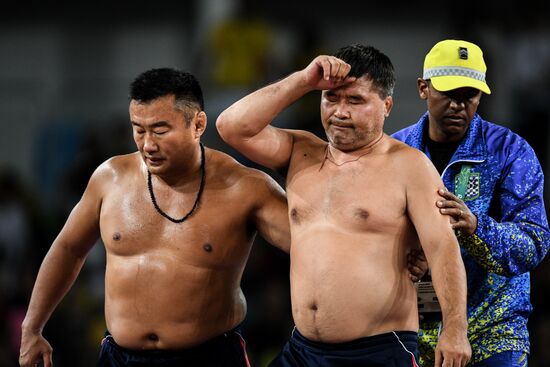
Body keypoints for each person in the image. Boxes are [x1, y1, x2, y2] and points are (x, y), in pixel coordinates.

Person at [216, 44, 471, 367]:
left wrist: (455, 329)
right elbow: (231, 126)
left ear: (386, 106)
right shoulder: (302, 151)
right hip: (302, 350)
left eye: (355, 101)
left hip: (377, 350)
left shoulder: (410, 166)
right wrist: (304, 80)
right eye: (331, 99)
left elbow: (442, 247)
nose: (339, 112)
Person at [19, 68, 291, 367]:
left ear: (198, 124)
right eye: (139, 129)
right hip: (119, 357)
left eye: (160, 131)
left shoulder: (246, 187)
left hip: (209, 357)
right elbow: (68, 249)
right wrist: (32, 327)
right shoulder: (109, 179)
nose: (148, 144)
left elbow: (314, 248)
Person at [392, 39, 550, 366]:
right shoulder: (395, 151)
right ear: (423, 88)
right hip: (415, 328)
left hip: (495, 325)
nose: (458, 106)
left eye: (470, 96)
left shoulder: (511, 152)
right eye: (449, 93)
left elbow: (535, 242)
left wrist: (478, 228)